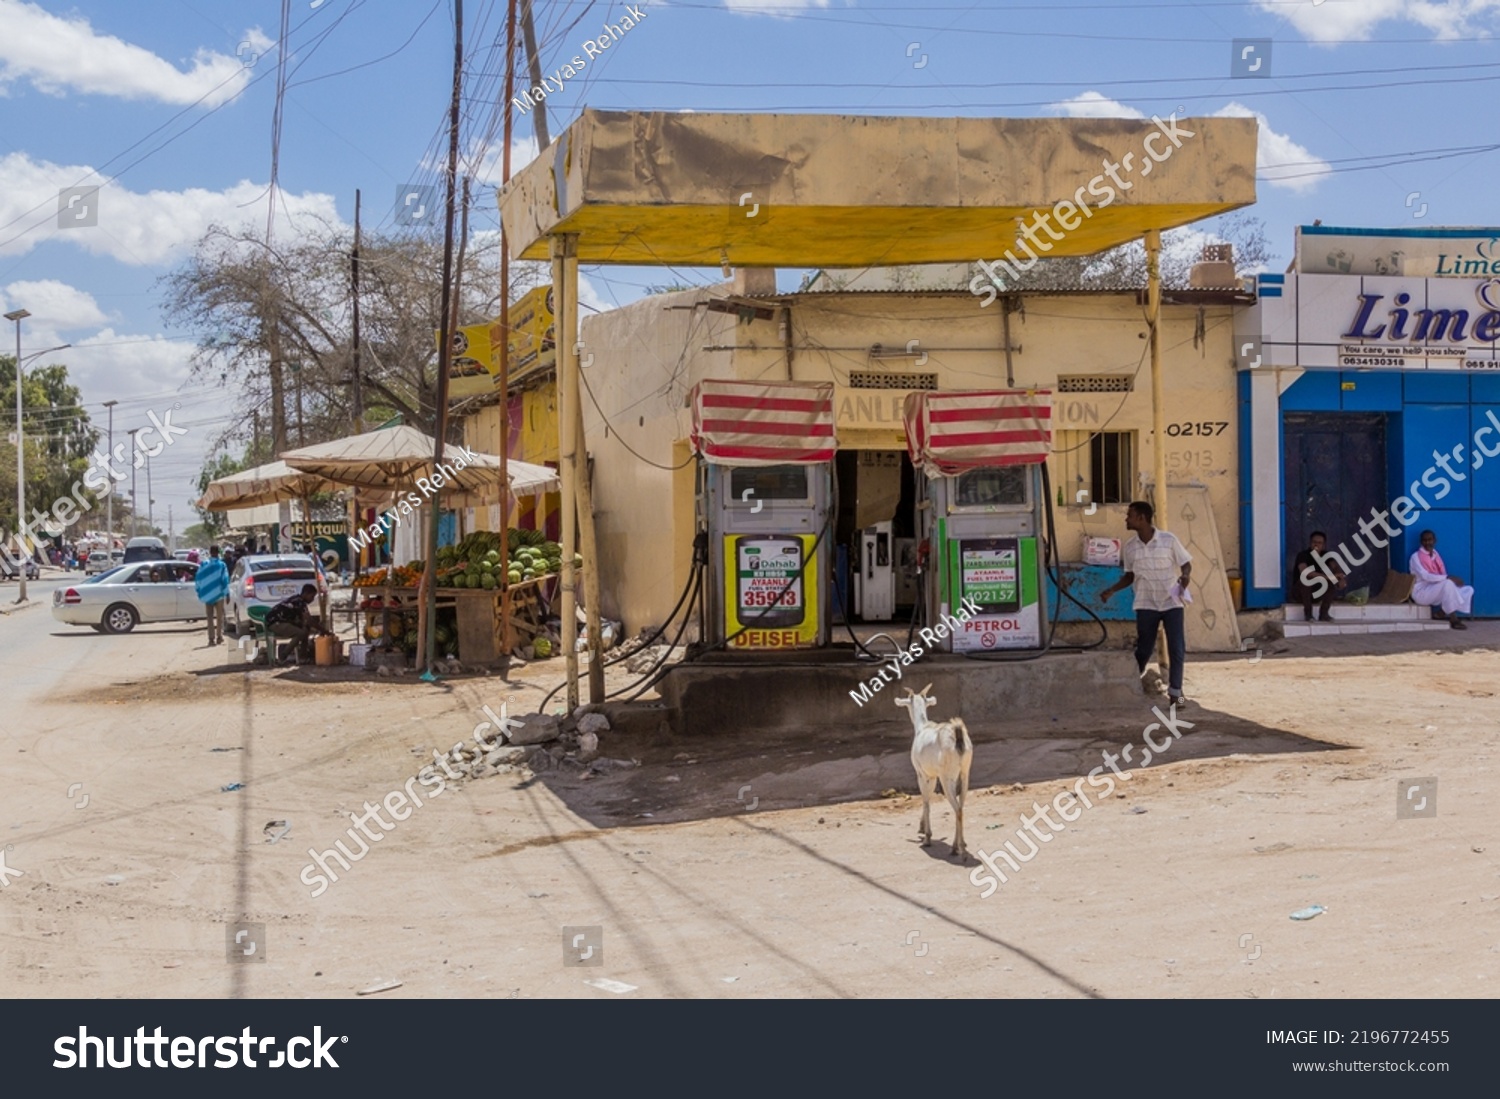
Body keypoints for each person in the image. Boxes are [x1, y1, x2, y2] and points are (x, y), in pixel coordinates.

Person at [1100, 500, 1193, 707]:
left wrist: (1185, 577)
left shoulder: (1169, 541)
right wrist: (1112, 590)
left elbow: (1186, 563)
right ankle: (1134, 681)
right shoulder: (1131, 548)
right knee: (1144, 648)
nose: (1126, 519)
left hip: (1171, 601)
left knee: (1177, 648)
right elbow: (1130, 576)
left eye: (1129, 515)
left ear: (1141, 518)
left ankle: (1176, 694)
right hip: (1146, 603)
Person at [1410, 530, 1473, 630]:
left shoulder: (1435, 554)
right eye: (1424, 540)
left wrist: (1449, 580)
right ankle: (1453, 619)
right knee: (1448, 583)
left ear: (1435, 541)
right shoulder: (1415, 557)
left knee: (1468, 589)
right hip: (1422, 592)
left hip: (1435, 589)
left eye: (1430, 540)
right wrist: (1448, 578)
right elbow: (1425, 576)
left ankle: (1441, 612)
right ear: (1421, 542)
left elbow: (1442, 573)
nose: (1427, 543)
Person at [1290, 531, 1347, 622]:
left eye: (1319, 543)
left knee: (1331, 583)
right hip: (1300, 593)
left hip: (1316, 593)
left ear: (1324, 545)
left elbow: (1335, 567)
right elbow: (1305, 572)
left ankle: (1324, 614)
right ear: (1310, 543)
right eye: (1314, 542)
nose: (1316, 545)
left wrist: (1341, 578)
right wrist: (1328, 577)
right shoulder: (1303, 555)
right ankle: (1308, 614)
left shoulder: (1326, 555)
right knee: (1306, 581)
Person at [265, 582, 319, 664]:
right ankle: (283, 656)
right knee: (300, 634)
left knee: (305, 630)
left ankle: (302, 657)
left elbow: (305, 621)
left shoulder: (299, 601)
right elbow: (309, 620)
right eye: (312, 596)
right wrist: (322, 630)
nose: (312, 599)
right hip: (275, 623)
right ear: (305, 594)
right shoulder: (299, 602)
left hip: (283, 622)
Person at [195, 545, 230, 646]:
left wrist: (199, 590)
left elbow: (198, 578)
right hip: (219, 595)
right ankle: (219, 637)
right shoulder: (222, 565)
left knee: (209, 618)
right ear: (218, 552)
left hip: (207, 595)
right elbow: (225, 580)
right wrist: (227, 593)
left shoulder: (203, 564)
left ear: (210, 552)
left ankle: (211, 639)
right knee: (219, 617)